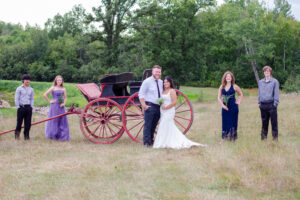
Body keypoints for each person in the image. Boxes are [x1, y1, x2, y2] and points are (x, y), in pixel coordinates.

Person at [153, 76, 206, 149]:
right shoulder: (163, 91)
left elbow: (174, 102)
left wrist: (166, 107)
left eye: (167, 82)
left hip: (169, 111)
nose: (165, 83)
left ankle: (171, 141)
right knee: (164, 125)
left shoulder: (172, 91)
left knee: (166, 123)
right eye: (164, 82)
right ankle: (165, 141)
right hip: (163, 111)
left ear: (170, 83)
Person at [139, 65, 163, 147]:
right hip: (150, 105)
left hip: (158, 106)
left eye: (159, 72)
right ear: (152, 72)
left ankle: (151, 140)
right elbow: (141, 93)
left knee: (154, 124)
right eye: (156, 71)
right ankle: (146, 142)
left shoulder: (161, 82)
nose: (158, 73)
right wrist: (144, 105)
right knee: (148, 124)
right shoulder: (147, 81)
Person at [217, 71, 243, 141]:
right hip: (225, 107)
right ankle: (224, 138)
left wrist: (238, 102)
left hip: (233, 107)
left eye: (229, 77)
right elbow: (219, 98)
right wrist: (222, 105)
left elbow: (240, 94)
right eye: (227, 76)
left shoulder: (235, 86)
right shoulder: (222, 86)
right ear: (225, 78)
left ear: (232, 78)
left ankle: (232, 138)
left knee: (233, 122)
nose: (228, 78)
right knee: (225, 122)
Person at [43, 75, 70, 141]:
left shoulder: (63, 88)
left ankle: (62, 135)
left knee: (62, 120)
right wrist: (50, 101)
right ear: (56, 81)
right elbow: (45, 94)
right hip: (54, 106)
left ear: (62, 81)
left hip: (61, 106)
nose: (59, 81)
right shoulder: (53, 88)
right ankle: (53, 135)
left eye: (60, 80)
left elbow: (65, 98)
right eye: (58, 80)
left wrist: (64, 103)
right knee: (54, 119)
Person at [258, 66, 279, 140]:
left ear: (270, 72)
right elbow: (259, 93)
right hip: (263, 105)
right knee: (264, 123)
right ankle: (263, 138)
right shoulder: (260, 82)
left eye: (268, 71)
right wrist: (259, 103)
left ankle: (275, 138)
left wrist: (275, 104)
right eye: (265, 71)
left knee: (274, 123)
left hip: (271, 105)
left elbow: (276, 93)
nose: (267, 72)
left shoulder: (275, 82)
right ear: (263, 73)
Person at [14, 74, 34, 140]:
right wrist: (18, 107)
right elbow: (16, 98)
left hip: (28, 108)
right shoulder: (19, 88)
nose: (27, 81)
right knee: (19, 122)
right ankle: (17, 136)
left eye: (28, 80)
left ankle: (26, 136)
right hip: (21, 107)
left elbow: (32, 98)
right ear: (23, 80)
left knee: (28, 123)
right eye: (26, 79)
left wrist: (31, 107)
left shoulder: (31, 89)